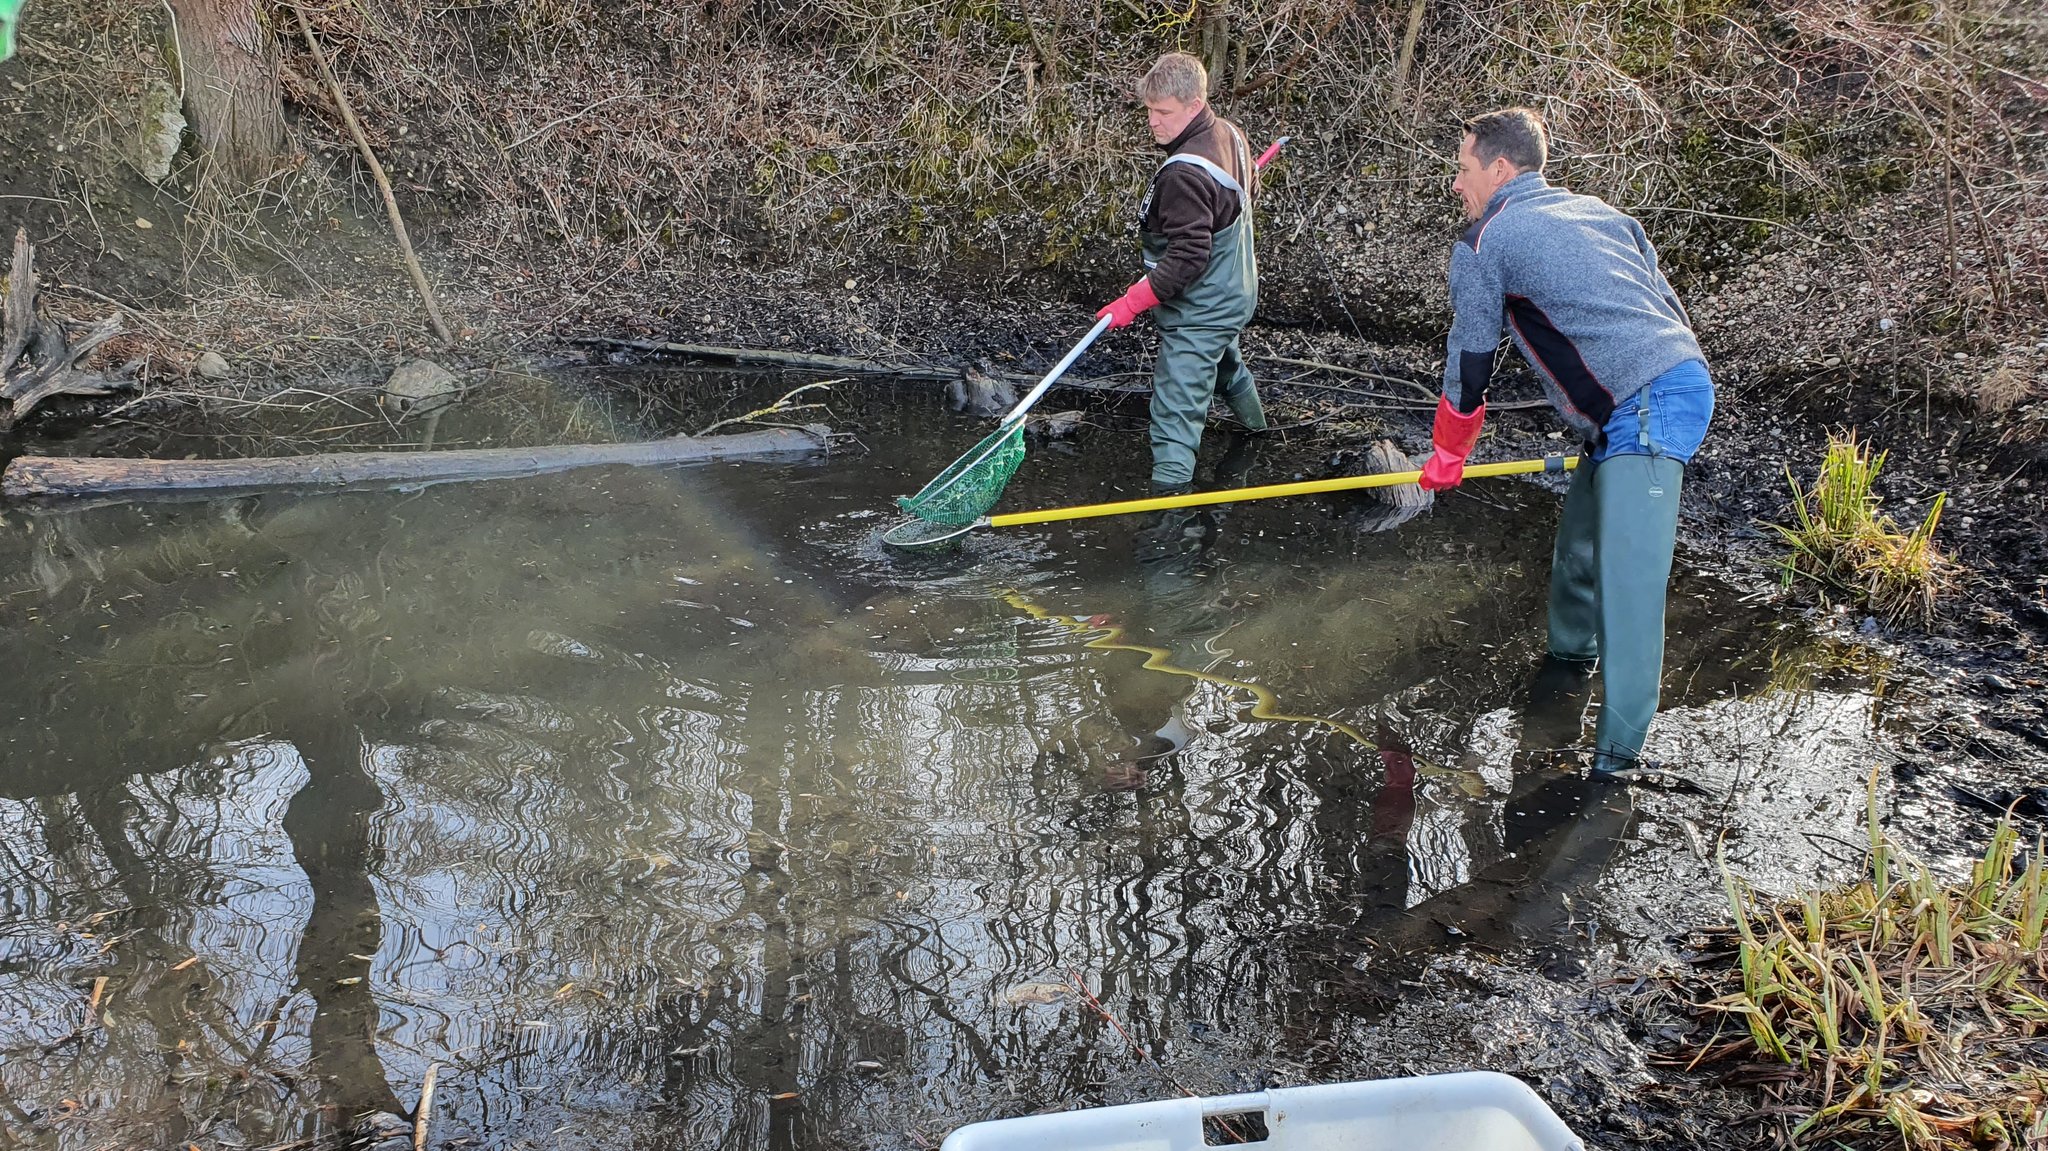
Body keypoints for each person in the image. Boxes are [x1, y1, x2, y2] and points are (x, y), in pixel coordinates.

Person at [1420, 106, 1715, 777]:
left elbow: (1469, 360)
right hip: (1654, 394)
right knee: (1579, 552)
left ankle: (1615, 772)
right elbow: (1664, 307)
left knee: (1629, 592)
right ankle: (1565, 667)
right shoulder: (1602, 213)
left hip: (1650, 405)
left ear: (1500, 168)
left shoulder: (1484, 241)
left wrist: (1448, 453)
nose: (1457, 184)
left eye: (1464, 169)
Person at [1096, 51, 1267, 491]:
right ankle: (1257, 436)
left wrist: (1132, 303)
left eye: (1163, 112)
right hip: (1234, 291)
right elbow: (1244, 193)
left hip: (1202, 306)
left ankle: (1167, 518)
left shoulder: (1185, 175)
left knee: (1175, 406)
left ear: (1194, 106)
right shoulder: (1231, 134)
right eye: (1149, 110)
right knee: (1223, 358)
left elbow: (1189, 256)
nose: (1153, 121)